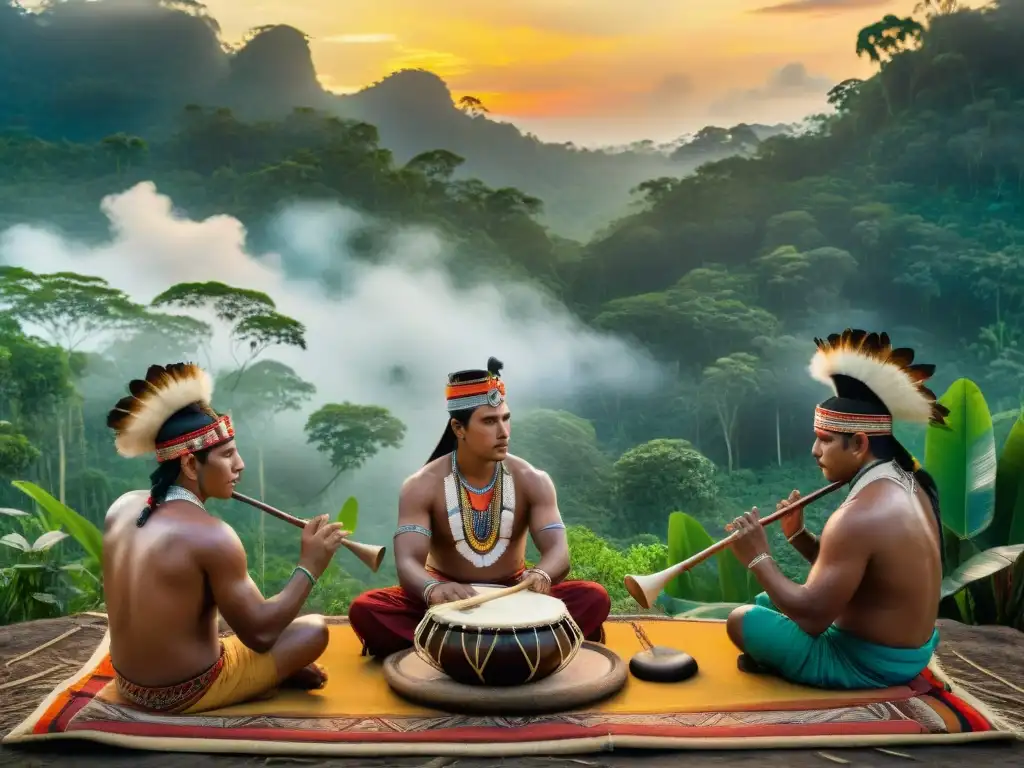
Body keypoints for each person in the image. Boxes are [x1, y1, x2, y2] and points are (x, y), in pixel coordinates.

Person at [102, 362, 351, 714]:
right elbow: (261, 634)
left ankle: (266, 674)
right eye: (228, 455)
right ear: (190, 466)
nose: (240, 465)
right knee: (313, 630)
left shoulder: (122, 507)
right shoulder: (212, 535)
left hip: (126, 684)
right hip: (187, 691)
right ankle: (266, 678)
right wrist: (309, 565)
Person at [723, 329, 949, 690]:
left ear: (859, 444)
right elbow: (863, 577)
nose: (815, 451)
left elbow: (813, 617)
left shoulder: (859, 515)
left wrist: (757, 557)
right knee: (770, 601)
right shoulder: (911, 483)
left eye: (825, 440)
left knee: (743, 619)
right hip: (910, 650)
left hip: (869, 662)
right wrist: (798, 537)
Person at [348, 357, 611, 659]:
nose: (503, 431)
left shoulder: (532, 480)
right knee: (368, 610)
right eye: (489, 421)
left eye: (505, 418)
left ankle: (452, 651)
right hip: (449, 602)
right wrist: (433, 589)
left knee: (592, 597)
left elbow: (559, 554)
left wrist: (542, 574)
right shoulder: (421, 485)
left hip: (517, 596)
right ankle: (511, 650)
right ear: (458, 427)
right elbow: (407, 562)